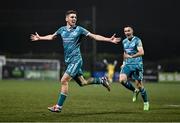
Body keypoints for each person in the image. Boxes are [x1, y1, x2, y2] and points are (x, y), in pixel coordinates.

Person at [30, 10, 120, 112]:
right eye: (72, 17)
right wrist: (40, 37)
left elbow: (94, 36)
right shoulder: (62, 30)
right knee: (83, 82)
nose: (74, 19)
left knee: (64, 80)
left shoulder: (79, 30)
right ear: (66, 19)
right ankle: (101, 80)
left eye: (75, 17)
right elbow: (51, 36)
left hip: (76, 60)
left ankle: (58, 107)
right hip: (69, 61)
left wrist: (109, 39)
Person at [119, 25, 149, 111]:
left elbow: (141, 52)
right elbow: (125, 53)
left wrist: (132, 56)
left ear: (132, 31)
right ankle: (134, 91)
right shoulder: (124, 41)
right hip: (128, 65)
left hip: (137, 65)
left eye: (128, 31)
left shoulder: (137, 40)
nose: (127, 32)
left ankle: (146, 102)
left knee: (140, 85)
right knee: (121, 80)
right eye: (125, 31)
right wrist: (123, 62)